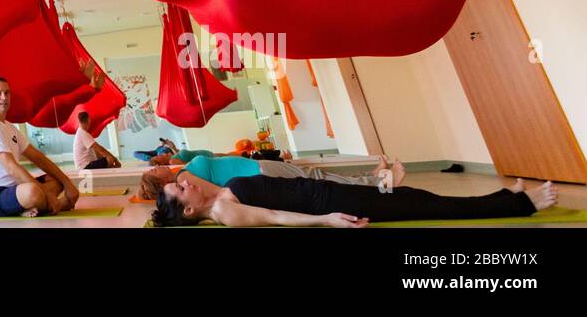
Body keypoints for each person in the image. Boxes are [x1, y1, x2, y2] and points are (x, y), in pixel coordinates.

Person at [152, 171, 557, 227]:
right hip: (329, 203)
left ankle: (503, 194)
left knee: (413, 194)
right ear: (189, 207)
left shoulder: (219, 193)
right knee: (425, 205)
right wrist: (327, 219)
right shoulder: (225, 211)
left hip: (326, 188)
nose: (183, 181)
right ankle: (522, 204)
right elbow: (276, 216)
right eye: (180, 189)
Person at [0, 77, 80, 218]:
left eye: (7, 93)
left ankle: (29, 207)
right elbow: (11, 167)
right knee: (33, 192)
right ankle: (57, 205)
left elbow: (38, 157)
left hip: (15, 189)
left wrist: (67, 183)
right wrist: (47, 195)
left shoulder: (9, 127)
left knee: (55, 180)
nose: (4, 97)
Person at [139, 154, 402, 200]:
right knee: (317, 177)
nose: (156, 166)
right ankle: (381, 183)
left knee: (317, 175)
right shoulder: (185, 176)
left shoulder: (183, 171)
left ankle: (372, 177)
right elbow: (217, 191)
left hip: (257, 169)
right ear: (160, 182)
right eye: (153, 170)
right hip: (259, 173)